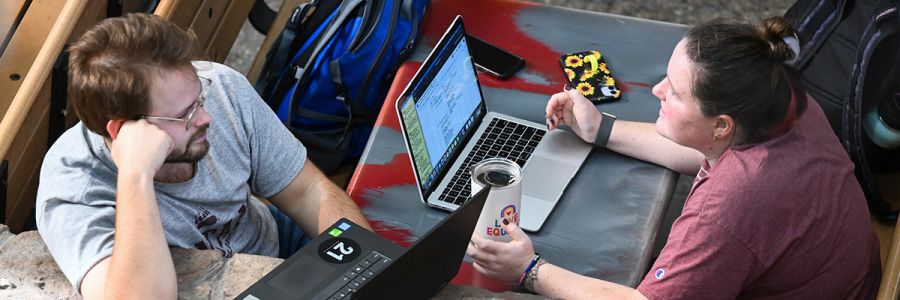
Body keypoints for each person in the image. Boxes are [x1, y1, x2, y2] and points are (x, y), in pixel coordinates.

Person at [467, 16, 881, 299]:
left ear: (722, 124)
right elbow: (699, 146)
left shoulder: (727, 210)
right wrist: (602, 129)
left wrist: (529, 270)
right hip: (844, 276)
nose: (657, 90)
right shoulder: (777, 97)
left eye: (677, 92)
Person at [35, 13, 371, 299]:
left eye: (200, 97)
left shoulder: (221, 88)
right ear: (124, 131)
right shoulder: (73, 187)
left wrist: (368, 262)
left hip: (272, 242)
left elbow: (307, 191)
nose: (206, 117)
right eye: (184, 115)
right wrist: (135, 175)